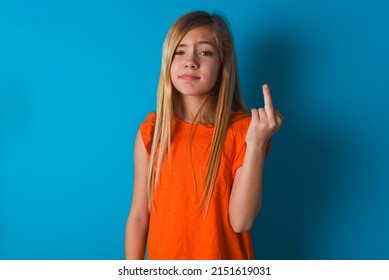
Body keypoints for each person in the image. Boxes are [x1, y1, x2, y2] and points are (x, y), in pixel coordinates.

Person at [124, 10, 283, 260]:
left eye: (205, 52)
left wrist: (256, 144)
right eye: (180, 51)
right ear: (168, 62)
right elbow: (138, 216)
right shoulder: (152, 132)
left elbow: (241, 221)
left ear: (223, 64)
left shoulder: (245, 131)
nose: (191, 61)